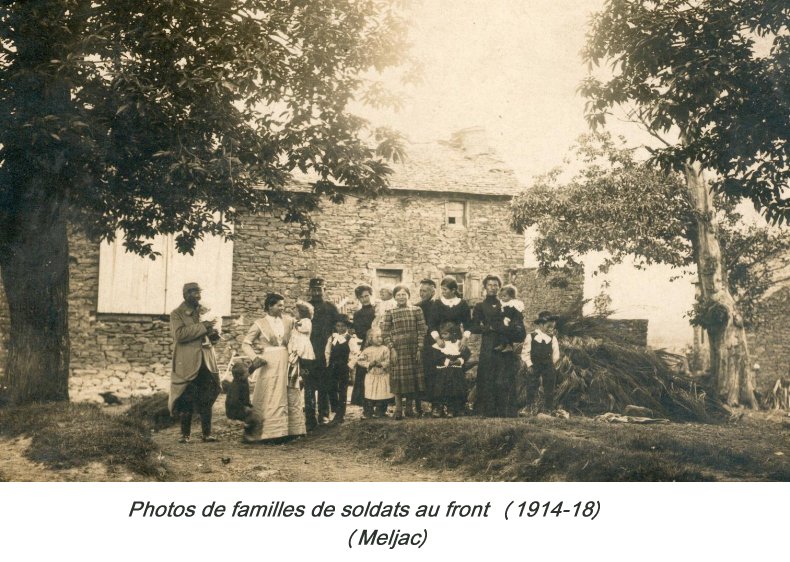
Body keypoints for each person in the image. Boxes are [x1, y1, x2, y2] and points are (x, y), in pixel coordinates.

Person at [242, 292, 306, 441]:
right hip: (269, 362)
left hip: (287, 360)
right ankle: (271, 433)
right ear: (270, 306)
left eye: (283, 305)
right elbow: (245, 344)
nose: (282, 308)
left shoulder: (289, 321)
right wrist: (255, 358)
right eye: (279, 305)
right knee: (271, 394)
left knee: (289, 392)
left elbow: (302, 332)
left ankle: (292, 431)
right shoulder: (260, 323)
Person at [169, 282, 222, 443]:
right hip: (188, 362)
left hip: (206, 360)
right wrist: (203, 326)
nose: (198, 296)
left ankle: (207, 434)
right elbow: (179, 335)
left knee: (207, 396)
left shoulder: (204, 311)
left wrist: (215, 334)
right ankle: (185, 435)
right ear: (186, 294)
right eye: (194, 293)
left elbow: (211, 335)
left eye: (199, 293)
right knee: (186, 396)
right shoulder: (177, 313)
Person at [469, 274, 526, 417]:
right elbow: (474, 327)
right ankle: (487, 411)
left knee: (504, 377)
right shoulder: (480, 306)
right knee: (487, 376)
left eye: (496, 285)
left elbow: (517, 324)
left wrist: (509, 330)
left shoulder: (507, 303)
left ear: (499, 287)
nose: (493, 288)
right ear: (485, 287)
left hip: (504, 345)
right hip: (488, 345)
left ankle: (505, 411)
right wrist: (488, 328)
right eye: (490, 285)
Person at [427, 276, 471, 416]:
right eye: (442, 289)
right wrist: (437, 338)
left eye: (445, 289)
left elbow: (468, 324)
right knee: (439, 376)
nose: (443, 292)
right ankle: (437, 406)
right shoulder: (437, 304)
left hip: (456, 339)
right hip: (440, 339)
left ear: (453, 290)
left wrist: (464, 339)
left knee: (456, 375)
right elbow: (431, 324)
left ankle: (455, 407)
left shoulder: (462, 304)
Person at [381, 284, 427, 420]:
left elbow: (422, 330)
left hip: (413, 349)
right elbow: (385, 333)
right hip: (398, 350)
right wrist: (392, 349)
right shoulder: (390, 312)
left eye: (404, 294)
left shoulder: (417, 310)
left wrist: (419, 349)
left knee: (412, 379)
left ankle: (409, 409)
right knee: (398, 379)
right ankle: (398, 409)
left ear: (408, 295)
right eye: (398, 295)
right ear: (394, 297)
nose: (401, 297)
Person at [307, 277, 340, 427]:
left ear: (324, 290)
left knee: (324, 383)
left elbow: (337, 327)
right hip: (308, 350)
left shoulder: (330, 307)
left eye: (319, 290)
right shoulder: (306, 307)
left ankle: (324, 414)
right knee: (309, 384)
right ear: (310, 290)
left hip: (325, 350)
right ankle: (310, 417)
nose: (316, 293)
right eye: (314, 290)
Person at [429, 321, 471, 417]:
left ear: (453, 333)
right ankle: (439, 408)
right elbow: (436, 357)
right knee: (441, 390)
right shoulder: (439, 345)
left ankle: (452, 409)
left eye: (445, 334)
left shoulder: (458, 343)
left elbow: (466, 354)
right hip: (443, 371)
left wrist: (460, 360)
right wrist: (447, 361)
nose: (443, 336)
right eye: (442, 334)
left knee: (455, 390)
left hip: (456, 372)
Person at [521, 311, 561, 412]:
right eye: (548, 326)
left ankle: (548, 408)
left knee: (549, 386)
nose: (550, 329)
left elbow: (556, 354)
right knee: (531, 385)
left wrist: (552, 366)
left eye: (552, 327)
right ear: (540, 325)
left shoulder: (553, 338)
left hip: (548, 365)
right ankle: (529, 407)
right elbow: (525, 352)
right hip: (534, 365)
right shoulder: (531, 336)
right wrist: (529, 365)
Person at [350, 283, 376, 416]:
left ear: (371, 295)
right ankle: (367, 407)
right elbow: (359, 333)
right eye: (362, 297)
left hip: (380, 343)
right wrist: (369, 334)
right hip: (366, 345)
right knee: (364, 374)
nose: (365, 299)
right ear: (359, 299)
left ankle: (381, 406)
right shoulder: (358, 314)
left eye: (367, 296)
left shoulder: (378, 309)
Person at [357, 328, 393, 418]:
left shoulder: (385, 349)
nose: (380, 339)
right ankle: (368, 411)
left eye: (381, 337)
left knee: (382, 394)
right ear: (370, 338)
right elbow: (360, 361)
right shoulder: (367, 350)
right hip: (371, 376)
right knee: (370, 394)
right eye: (377, 337)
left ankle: (380, 411)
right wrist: (369, 364)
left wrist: (381, 364)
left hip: (382, 375)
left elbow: (388, 361)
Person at [415, 278, 437, 417]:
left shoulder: (437, 306)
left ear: (433, 292)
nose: (422, 293)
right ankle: (420, 407)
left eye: (425, 291)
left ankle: (434, 405)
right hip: (421, 343)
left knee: (433, 373)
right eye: (421, 290)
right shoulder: (416, 307)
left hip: (434, 343)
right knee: (420, 374)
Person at [324, 315, 352, 424]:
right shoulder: (332, 338)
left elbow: (355, 353)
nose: (340, 328)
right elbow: (327, 352)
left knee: (342, 390)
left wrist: (349, 365)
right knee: (331, 387)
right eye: (338, 326)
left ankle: (340, 414)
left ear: (347, 327)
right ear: (335, 326)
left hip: (343, 367)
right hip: (332, 366)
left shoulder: (349, 339)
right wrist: (327, 364)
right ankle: (335, 410)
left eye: (343, 326)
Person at [222, 360, 259, 439]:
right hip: (234, 410)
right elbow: (234, 401)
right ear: (240, 376)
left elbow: (249, 371)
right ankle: (247, 436)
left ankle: (249, 432)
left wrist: (255, 366)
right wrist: (244, 407)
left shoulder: (242, 379)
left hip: (239, 406)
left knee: (253, 415)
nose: (248, 374)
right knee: (252, 417)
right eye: (246, 373)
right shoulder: (236, 386)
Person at [495, 284, 524, 352]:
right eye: (501, 296)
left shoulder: (514, 304)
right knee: (501, 330)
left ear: (511, 296)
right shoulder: (503, 303)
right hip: (506, 320)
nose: (502, 298)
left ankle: (509, 345)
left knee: (508, 331)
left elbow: (518, 315)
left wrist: (510, 320)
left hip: (513, 322)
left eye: (504, 296)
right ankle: (502, 344)